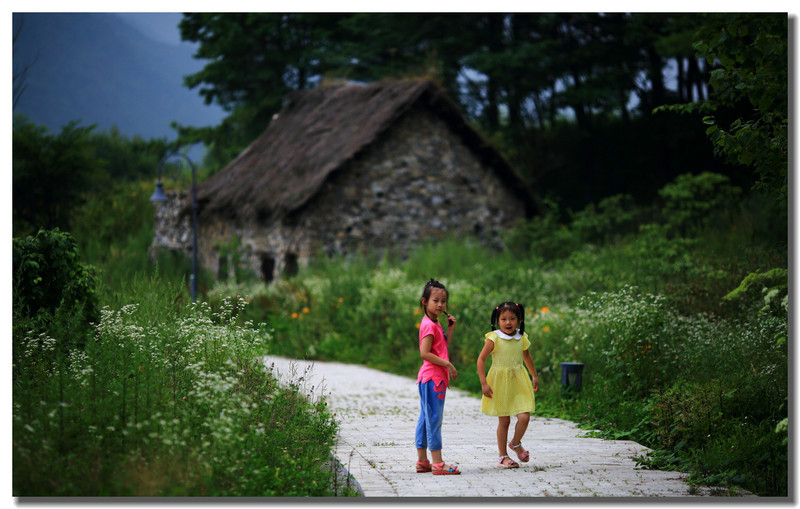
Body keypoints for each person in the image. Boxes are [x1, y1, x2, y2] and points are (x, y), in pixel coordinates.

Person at [476, 301, 539, 469]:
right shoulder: (494, 337)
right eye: (503, 319)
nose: (508, 323)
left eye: (512, 318)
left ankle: (516, 443)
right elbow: (481, 359)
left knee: (524, 416)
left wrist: (534, 375)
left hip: (519, 381)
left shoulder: (521, 337)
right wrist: (484, 382)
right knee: (504, 422)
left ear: (519, 320)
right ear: (498, 321)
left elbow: (527, 357)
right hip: (500, 383)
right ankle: (503, 456)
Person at [414, 278, 461, 475]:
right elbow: (425, 353)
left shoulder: (435, 322)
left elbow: (442, 347)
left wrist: (449, 329)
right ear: (425, 301)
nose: (440, 305)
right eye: (435, 300)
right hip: (433, 378)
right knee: (434, 418)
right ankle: (438, 463)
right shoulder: (428, 325)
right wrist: (448, 364)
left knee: (426, 418)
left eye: (443, 301)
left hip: (431, 378)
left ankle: (423, 461)